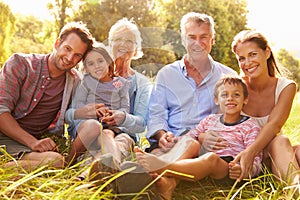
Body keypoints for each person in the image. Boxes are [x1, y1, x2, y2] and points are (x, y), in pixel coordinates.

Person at [135, 76, 262, 199]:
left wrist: (244, 170)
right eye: (224, 95)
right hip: (200, 164)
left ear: (245, 99)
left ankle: (163, 167)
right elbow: (191, 136)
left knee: (211, 158)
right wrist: (173, 140)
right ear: (216, 100)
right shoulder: (209, 120)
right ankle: (169, 184)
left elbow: (254, 157)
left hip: (227, 168)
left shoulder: (250, 126)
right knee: (191, 142)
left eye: (236, 95)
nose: (230, 99)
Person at [0, 21, 94, 171]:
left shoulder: (75, 81)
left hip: (21, 144)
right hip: (6, 133)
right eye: (67, 49)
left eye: (77, 55)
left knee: (56, 161)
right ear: (57, 43)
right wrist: (32, 142)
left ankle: (6, 167)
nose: (70, 58)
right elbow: (1, 111)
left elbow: (80, 116)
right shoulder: (20, 64)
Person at [69, 18, 152, 182]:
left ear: (136, 49)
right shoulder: (91, 74)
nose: (123, 44)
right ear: (110, 44)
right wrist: (91, 120)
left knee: (120, 143)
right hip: (89, 134)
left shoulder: (141, 82)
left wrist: (123, 118)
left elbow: (142, 123)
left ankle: (83, 178)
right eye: (118, 39)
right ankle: (106, 176)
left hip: (123, 134)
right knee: (95, 147)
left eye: (129, 41)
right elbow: (73, 117)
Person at [146, 11, 236, 154]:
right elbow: (156, 114)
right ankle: (158, 171)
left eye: (204, 37)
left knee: (160, 162)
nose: (197, 43)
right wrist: (162, 136)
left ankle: (158, 171)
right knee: (157, 154)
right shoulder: (166, 74)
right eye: (191, 37)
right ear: (183, 39)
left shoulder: (228, 76)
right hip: (172, 142)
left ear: (212, 39)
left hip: (210, 146)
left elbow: (233, 118)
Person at [229, 30, 300, 184]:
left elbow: (274, 125)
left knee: (285, 144)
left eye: (253, 54)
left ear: (267, 53)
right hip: (245, 160)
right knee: (282, 142)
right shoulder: (234, 89)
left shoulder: (286, 87)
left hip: (273, 154)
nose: (247, 63)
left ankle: (295, 187)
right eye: (241, 58)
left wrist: (251, 151)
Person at [65, 43, 131, 165]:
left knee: (107, 134)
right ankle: (69, 161)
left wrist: (115, 114)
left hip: (110, 127)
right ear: (86, 68)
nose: (97, 66)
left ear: (108, 62)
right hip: (87, 127)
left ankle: (111, 167)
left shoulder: (121, 84)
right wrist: (91, 112)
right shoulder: (85, 83)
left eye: (100, 61)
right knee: (94, 126)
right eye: (91, 64)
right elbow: (76, 108)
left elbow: (125, 108)